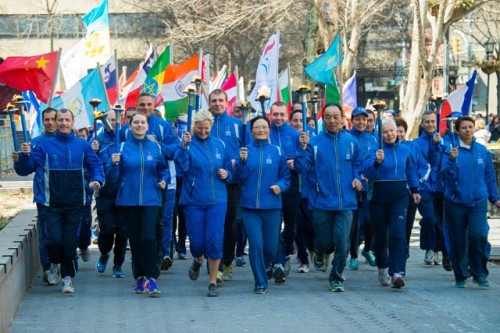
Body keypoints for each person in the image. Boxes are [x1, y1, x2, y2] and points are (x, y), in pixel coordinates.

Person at [15, 108, 104, 293]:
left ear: (72, 123)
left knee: (70, 243)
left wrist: (97, 179)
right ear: (56, 122)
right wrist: (24, 156)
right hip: (51, 204)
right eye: (60, 120)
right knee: (54, 241)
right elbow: (26, 169)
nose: (63, 123)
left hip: (75, 203)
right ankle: (54, 263)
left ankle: (67, 278)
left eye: (67, 120)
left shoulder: (82, 145)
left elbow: (95, 165)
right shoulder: (45, 146)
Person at [295, 104, 363, 292]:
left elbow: (358, 166)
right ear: (322, 119)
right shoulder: (314, 143)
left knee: (343, 242)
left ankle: (336, 277)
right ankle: (319, 252)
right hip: (322, 202)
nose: (332, 121)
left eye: (336, 117)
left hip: (345, 203)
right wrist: (301, 149)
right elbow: (301, 168)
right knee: (323, 241)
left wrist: (357, 180)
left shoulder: (351, 143)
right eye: (328, 117)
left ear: (342, 119)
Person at [109, 112, 168, 296]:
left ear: (147, 125)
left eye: (143, 122)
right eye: (136, 122)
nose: (140, 125)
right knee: (135, 239)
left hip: (151, 199)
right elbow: (113, 179)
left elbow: (163, 170)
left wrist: (164, 180)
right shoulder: (123, 147)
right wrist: (113, 165)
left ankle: (152, 277)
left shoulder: (155, 148)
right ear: (130, 125)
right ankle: (139, 276)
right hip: (128, 200)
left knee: (149, 237)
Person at [175, 110, 232, 297]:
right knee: (197, 244)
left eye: (206, 128)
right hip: (194, 200)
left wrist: (227, 174)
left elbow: (229, 167)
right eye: (200, 128)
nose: (203, 131)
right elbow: (181, 167)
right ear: (194, 127)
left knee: (215, 241)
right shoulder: (188, 144)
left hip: (217, 200)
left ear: (211, 127)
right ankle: (198, 259)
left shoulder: (220, 144)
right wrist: (183, 147)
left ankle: (213, 281)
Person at [440, 116, 500, 288]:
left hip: (478, 202)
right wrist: (451, 160)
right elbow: (446, 176)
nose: (468, 130)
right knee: (458, 240)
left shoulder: (482, 151)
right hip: (456, 201)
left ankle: (479, 274)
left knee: (479, 236)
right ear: (457, 130)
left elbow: (489, 177)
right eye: (464, 127)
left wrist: (495, 198)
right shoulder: (450, 150)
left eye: (470, 127)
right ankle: (460, 275)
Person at [234, 116, 291, 294]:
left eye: (264, 127)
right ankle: (260, 281)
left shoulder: (277, 151)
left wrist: (279, 187)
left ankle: (265, 266)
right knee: (256, 244)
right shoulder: (244, 151)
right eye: (257, 127)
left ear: (269, 129)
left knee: (270, 247)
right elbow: (238, 178)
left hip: (272, 206)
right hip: (249, 207)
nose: (260, 130)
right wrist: (241, 162)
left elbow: (286, 178)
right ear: (251, 131)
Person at [363, 119, 421, 289]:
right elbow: (367, 173)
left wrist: (415, 190)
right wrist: (377, 162)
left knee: (398, 233)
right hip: (379, 197)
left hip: (399, 196)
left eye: (392, 131)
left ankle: (397, 272)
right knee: (381, 237)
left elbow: (411, 171)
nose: (389, 134)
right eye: (385, 132)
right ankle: (383, 265)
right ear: (380, 134)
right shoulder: (375, 151)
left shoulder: (405, 150)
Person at [12, 107, 57, 284]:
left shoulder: (69, 141)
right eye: (47, 119)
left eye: (54, 119)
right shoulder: (36, 143)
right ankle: (48, 269)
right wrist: (22, 158)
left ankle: (64, 263)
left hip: (67, 197)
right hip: (44, 196)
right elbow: (25, 170)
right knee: (46, 234)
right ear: (43, 122)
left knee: (63, 236)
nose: (51, 122)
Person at [208, 89, 243, 283]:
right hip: (210, 182)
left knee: (231, 224)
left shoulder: (237, 125)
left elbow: (245, 150)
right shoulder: (205, 123)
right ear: (210, 103)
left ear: (226, 102)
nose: (218, 104)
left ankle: (227, 260)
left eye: (221, 100)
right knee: (213, 224)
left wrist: (236, 167)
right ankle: (215, 264)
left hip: (232, 182)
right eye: (214, 101)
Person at [268, 102, 303, 283]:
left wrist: (296, 163)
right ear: (271, 114)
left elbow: (306, 162)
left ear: (287, 115)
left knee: (290, 225)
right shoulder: (266, 133)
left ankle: (286, 251)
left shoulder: (297, 135)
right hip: (272, 184)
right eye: (275, 114)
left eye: (282, 114)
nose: (279, 118)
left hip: (292, 183)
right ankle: (277, 261)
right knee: (274, 224)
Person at [93, 110, 128, 278]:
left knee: (122, 231)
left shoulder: (124, 137)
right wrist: (94, 151)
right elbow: (90, 162)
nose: (112, 123)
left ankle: (118, 264)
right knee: (107, 230)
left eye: (115, 119)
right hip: (105, 192)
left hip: (123, 193)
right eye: (110, 119)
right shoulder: (97, 138)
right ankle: (104, 252)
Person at [412, 111, 446, 265]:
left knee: (439, 220)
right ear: (422, 123)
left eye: (433, 121)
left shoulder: (443, 142)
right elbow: (414, 164)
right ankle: (429, 248)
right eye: (427, 122)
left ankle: (438, 249)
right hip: (424, 187)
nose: (430, 124)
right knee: (429, 218)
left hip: (440, 186)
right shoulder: (415, 144)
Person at [348, 107, 378, 270]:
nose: (361, 122)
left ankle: (367, 249)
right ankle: (353, 254)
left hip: (369, 187)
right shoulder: (347, 138)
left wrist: (369, 172)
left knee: (370, 220)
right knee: (354, 224)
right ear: (352, 120)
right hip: (352, 186)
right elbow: (349, 162)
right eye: (357, 119)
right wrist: (358, 176)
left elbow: (374, 160)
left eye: (364, 119)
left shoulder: (373, 139)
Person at [395, 118, 428, 257]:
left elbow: (423, 166)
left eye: (401, 131)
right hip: (393, 192)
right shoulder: (383, 147)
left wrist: (415, 180)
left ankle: (404, 249)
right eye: (395, 131)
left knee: (407, 224)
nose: (398, 134)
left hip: (410, 192)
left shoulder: (412, 147)